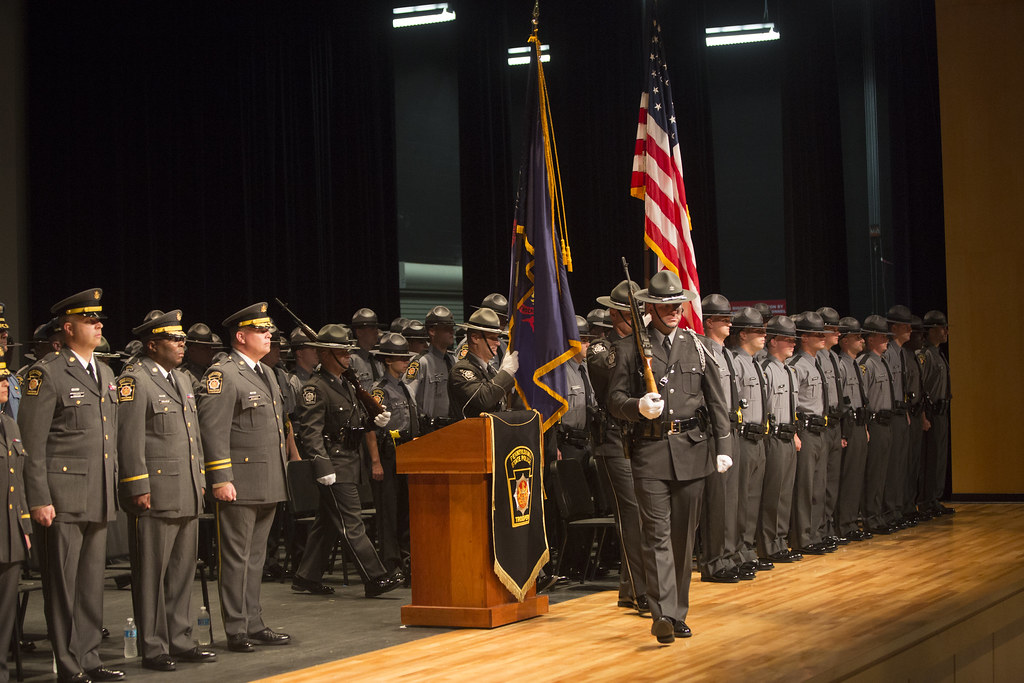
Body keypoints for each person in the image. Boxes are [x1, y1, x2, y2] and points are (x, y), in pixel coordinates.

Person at [607, 270, 732, 644]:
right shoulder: (629, 349)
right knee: (657, 535)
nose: (675, 311)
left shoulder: (698, 346)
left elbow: (716, 401)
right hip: (649, 452)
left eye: (678, 305)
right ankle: (662, 613)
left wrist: (724, 447)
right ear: (650, 309)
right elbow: (614, 400)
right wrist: (637, 406)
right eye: (666, 306)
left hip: (692, 450)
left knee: (682, 539)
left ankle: (677, 613)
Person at [19, 288, 124, 683]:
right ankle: (67, 663)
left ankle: (89, 657)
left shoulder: (106, 373)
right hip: (61, 497)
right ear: (67, 328)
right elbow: (32, 444)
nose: (98, 325)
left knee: (91, 584)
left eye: (99, 320)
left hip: (97, 493)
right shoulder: (46, 373)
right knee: (63, 586)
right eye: (89, 320)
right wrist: (38, 499)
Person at [115, 310, 215, 672]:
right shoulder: (135, 380)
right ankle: (153, 646)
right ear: (152, 345)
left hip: (185, 488)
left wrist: (199, 479)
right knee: (151, 576)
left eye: (182, 338)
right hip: (155, 492)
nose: (182, 343)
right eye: (174, 339)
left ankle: (181, 638)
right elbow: (129, 439)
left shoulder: (183, 379)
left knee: (182, 572)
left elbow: (192, 437)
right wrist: (137, 485)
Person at [197, 303, 291, 653]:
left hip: (268, 479)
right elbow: (212, 430)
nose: (269, 335)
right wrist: (220, 478)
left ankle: (254, 621)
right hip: (238, 481)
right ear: (240, 336)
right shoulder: (223, 374)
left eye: (269, 330)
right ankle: (236, 628)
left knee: (255, 558)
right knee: (236, 558)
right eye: (261, 330)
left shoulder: (266, 372)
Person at [291, 324, 401, 598]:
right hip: (334, 464)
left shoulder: (344, 384)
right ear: (325, 354)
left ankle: (306, 576)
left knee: (328, 522)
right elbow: (311, 433)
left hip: (350, 461)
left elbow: (352, 422)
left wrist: (373, 422)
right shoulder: (315, 389)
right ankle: (375, 577)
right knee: (351, 522)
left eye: (348, 351)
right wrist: (322, 465)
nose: (348, 356)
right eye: (341, 352)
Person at [589, 280, 648, 614]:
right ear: (614, 314)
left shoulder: (643, 344)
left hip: (643, 439)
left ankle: (630, 588)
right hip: (614, 439)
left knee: (647, 514)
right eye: (630, 313)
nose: (637, 318)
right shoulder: (602, 349)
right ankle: (640, 589)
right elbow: (615, 379)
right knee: (632, 515)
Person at [697, 293, 747, 583]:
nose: (729, 323)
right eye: (723, 318)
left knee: (732, 498)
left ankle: (729, 555)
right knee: (716, 500)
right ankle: (714, 561)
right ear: (708, 322)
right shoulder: (702, 351)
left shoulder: (726, 354)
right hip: (714, 431)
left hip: (731, 428)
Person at [370, 333, 419, 581]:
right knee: (389, 512)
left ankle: (407, 559)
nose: (406, 362)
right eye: (401, 358)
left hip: (407, 453)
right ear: (388, 360)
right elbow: (370, 429)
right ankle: (391, 564)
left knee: (406, 511)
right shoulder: (379, 391)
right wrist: (376, 462)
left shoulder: (404, 387)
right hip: (388, 453)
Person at [727, 308, 770, 577]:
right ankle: (737, 552)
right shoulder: (736, 362)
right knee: (740, 499)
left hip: (758, 437)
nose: (764, 336)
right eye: (758, 331)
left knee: (753, 499)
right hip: (742, 437)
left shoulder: (755, 363)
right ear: (743, 334)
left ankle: (748, 549)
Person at [758, 315, 803, 566]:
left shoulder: (788, 370)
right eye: (787, 339)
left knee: (785, 493)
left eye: (794, 339)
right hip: (772, 437)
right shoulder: (765, 369)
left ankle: (780, 541)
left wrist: (795, 433)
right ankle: (769, 545)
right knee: (773, 494)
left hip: (788, 435)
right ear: (773, 341)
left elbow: (791, 407)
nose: (793, 344)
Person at [786, 312, 831, 556]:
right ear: (804, 337)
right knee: (804, 487)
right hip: (805, 429)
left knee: (818, 486)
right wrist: (795, 432)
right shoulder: (796, 366)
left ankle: (815, 533)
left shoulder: (816, 363)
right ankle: (802, 537)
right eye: (817, 334)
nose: (823, 337)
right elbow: (791, 403)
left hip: (820, 429)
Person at [0, 348, 32, 683]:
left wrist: (23, 526)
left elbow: (17, 482)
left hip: (9, 535)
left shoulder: (10, 424)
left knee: (4, 616)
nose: (5, 383)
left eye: (4, 378)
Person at [859, 315, 897, 535]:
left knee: (883, 471)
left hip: (886, 422)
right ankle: (870, 516)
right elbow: (863, 398)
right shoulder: (865, 363)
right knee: (873, 473)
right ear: (871, 338)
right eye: (882, 336)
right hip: (873, 422)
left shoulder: (882, 361)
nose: (886, 340)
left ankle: (879, 513)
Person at [834, 317, 871, 542]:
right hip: (848, 424)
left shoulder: (855, 364)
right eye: (857, 337)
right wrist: (843, 432)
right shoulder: (841, 364)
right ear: (845, 340)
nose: (862, 340)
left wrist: (864, 427)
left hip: (859, 423)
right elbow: (841, 401)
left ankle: (850, 521)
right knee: (848, 476)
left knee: (857, 476)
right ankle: (843, 524)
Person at [447, 308, 519, 420]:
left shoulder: (491, 371)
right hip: (468, 431)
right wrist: (507, 372)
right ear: (475, 338)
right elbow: (485, 398)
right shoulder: (460, 370)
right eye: (493, 338)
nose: (498, 343)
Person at [815, 307, 847, 546]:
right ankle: (817, 529)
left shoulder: (834, 358)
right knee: (819, 482)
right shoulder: (814, 357)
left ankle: (828, 526)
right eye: (832, 328)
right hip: (820, 424)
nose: (838, 333)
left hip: (835, 423)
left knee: (832, 481)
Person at [918, 310, 954, 517]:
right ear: (931, 330)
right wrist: (923, 416)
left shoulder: (938, 353)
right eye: (942, 327)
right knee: (930, 458)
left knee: (940, 457)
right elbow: (922, 387)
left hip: (941, 411)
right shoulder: (925, 355)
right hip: (931, 412)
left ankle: (934, 499)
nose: (946, 331)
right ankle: (925, 500)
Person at [883, 305, 915, 530]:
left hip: (901, 412)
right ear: (894, 327)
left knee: (901, 465)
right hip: (890, 414)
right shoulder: (887, 352)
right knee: (892, 465)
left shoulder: (901, 352)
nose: (910, 330)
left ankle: (897, 509)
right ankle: (889, 510)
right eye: (905, 326)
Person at [404, 306, 456, 434]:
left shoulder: (453, 361)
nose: (452, 332)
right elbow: (408, 398)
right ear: (432, 331)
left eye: (452, 328)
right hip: (430, 431)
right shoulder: (421, 362)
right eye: (446, 328)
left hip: (453, 428)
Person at [180, 323, 223, 393]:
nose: (210, 352)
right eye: (204, 348)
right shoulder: (182, 375)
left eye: (210, 348)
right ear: (192, 350)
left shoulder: (212, 371)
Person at [350, 308, 384, 391]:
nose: (377, 332)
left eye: (376, 328)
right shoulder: (351, 359)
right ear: (359, 332)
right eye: (372, 329)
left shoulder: (378, 358)